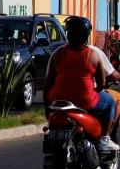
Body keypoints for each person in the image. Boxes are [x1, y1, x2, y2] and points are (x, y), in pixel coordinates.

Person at [45, 16, 119, 152]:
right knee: (109, 102)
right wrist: (96, 88)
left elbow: (48, 83)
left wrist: (47, 106)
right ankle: (105, 139)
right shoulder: (93, 55)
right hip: (85, 101)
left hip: (58, 101)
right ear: (86, 35)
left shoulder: (57, 54)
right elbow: (102, 84)